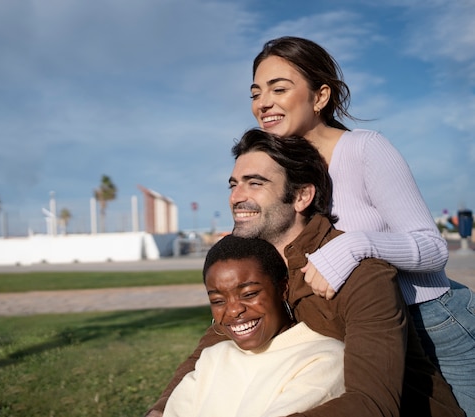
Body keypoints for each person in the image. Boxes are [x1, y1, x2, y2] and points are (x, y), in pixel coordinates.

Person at [145, 129, 464, 417]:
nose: (236, 197)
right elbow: (212, 341)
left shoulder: (361, 274)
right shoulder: (260, 262)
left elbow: (372, 404)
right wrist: (160, 410)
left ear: (302, 196)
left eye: (255, 183)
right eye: (234, 184)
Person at [249, 36, 475, 414]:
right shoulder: (286, 170)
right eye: (256, 93)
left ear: (320, 97)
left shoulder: (366, 149)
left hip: (433, 323)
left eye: (279, 88)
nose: (263, 103)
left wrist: (354, 245)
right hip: (363, 331)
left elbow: (433, 250)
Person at [164, 234, 345, 417]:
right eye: (218, 300)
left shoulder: (324, 359)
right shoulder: (212, 358)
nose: (234, 310)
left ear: (282, 289)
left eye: (249, 294)